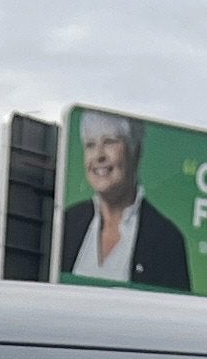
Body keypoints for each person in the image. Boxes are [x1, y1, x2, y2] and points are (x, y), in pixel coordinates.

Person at [55, 110, 193, 292]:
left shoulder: (167, 240)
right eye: (90, 145)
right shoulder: (67, 223)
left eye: (110, 142)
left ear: (135, 150)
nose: (99, 155)